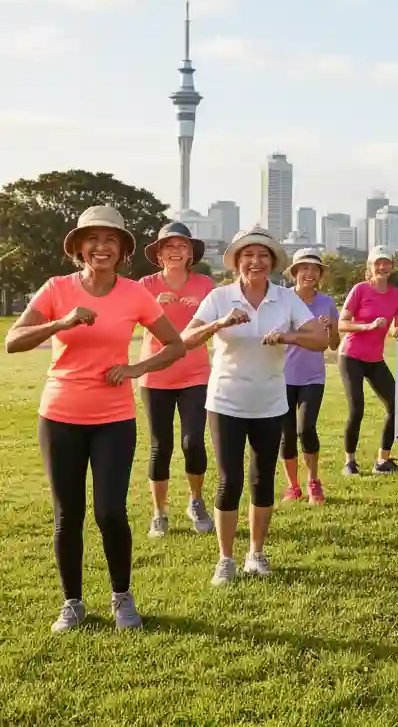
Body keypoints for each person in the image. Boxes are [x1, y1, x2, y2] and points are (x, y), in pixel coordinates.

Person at [4, 206, 185, 632]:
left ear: (122, 250)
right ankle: (73, 603)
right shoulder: (56, 289)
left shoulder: (135, 295)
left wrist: (136, 370)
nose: (101, 247)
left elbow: (175, 346)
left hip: (114, 419)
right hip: (60, 415)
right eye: (92, 239)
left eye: (110, 240)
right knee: (68, 515)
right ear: (79, 248)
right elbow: (13, 341)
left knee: (109, 512)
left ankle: (122, 597)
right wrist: (61, 323)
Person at [182, 226, 327, 586]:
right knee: (229, 481)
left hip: (271, 403)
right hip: (226, 401)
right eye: (248, 255)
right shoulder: (220, 297)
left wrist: (288, 335)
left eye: (263, 256)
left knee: (262, 481)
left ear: (273, 262)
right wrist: (220, 323)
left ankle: (256, 554)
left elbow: (321, 338)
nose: (255, 261)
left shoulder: (286, 299)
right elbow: (185, 339)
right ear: (236, 262)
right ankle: (225, 559)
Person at [139, 221, 216, 538]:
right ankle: (159, 513)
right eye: (168, 246)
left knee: (193, 442)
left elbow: (217, 324)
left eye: (181, 246)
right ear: (159, 254)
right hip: (155, 374)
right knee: (161, 446)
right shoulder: (145, 285)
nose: (175, 251)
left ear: (190, 254)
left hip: (195, 374)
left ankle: (196, 501)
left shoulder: (205, 286)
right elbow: (129, 319)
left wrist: (201, 313)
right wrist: (152, 309)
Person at [338, 246, 398, 475]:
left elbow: (396, 325)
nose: (383, 267)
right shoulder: (360, 290)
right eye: (378, 263)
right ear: (370, 267)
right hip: (351, 355)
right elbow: (341, 324)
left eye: (387, 263)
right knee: (357, 408)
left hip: (374, 358)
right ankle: (349, 462)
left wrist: (397, 331)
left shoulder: (397, 295)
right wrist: (366, 326)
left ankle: (383, 461)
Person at [280, 248, 339, 502]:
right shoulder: (281, 300)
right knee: (287, 435)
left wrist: (330, 328)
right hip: (282, 377)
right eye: (304, 268)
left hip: (313, 377)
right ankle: (293, 487)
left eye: (314, 269)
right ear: (295, 273)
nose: (309, 273)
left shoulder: (326, 303)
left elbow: (334, 344)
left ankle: (313, 481)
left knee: (306, 429)